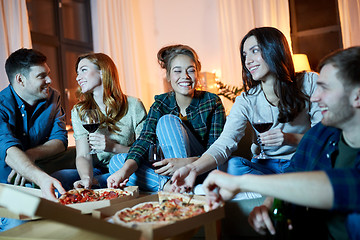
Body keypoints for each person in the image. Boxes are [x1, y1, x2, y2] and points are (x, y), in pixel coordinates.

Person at [202, 46, 360, 239]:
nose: (314, 97)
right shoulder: (319, 136)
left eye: (325, 88)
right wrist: (268, 206)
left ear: (357, 96)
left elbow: (348, 187)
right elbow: (294, 174)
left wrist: (241, 182)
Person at [171, 27, 322, 192]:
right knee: (232, 165)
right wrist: (193, 168)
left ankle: (265, 190)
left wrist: (291, 139)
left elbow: (326, 136)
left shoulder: (309, 82)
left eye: (254, 51)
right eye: (244, 55)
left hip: (301, 163)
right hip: (266, 169)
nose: (247, 60)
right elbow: (224, 143)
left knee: (322, 165)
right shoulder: (246, 100)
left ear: (275, 49)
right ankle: (280, 189)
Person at [107, 44, 226, 192]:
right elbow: (145, 140)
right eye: (178, 71)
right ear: (168, 76)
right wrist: (124, 171)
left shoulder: (211, 102)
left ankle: (181, 182)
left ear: (197, 74)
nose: (185, 76)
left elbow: (217, 148)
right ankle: (170, 186)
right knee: (116, 163)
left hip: (201, 166)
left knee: (167, 121)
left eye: (191, 70)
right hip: (169, 169)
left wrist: (186, 163)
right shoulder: (160, 104)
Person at [0, 48, 74, 230]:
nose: (49, 80)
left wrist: (29, 156)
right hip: (5, 187)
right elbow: (9, 151)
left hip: (38, 177)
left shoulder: (53, 97)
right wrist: (41, 179)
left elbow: (60, 141)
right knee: (20, 223)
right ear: (20, 79)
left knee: (90, 180)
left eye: (48, 74)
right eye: (42, 76)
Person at [52, 53, 146, 190]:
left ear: (103, 72)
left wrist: (113, 147)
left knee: (111, 177)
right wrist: (86, 178)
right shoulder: (80, 111)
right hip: (97, 170)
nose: (78, 78)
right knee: (59, 178)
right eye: (77, 73)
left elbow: (144, 152)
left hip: (126, 168)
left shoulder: (133, 105)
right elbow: (83, 155)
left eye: (83, 70)